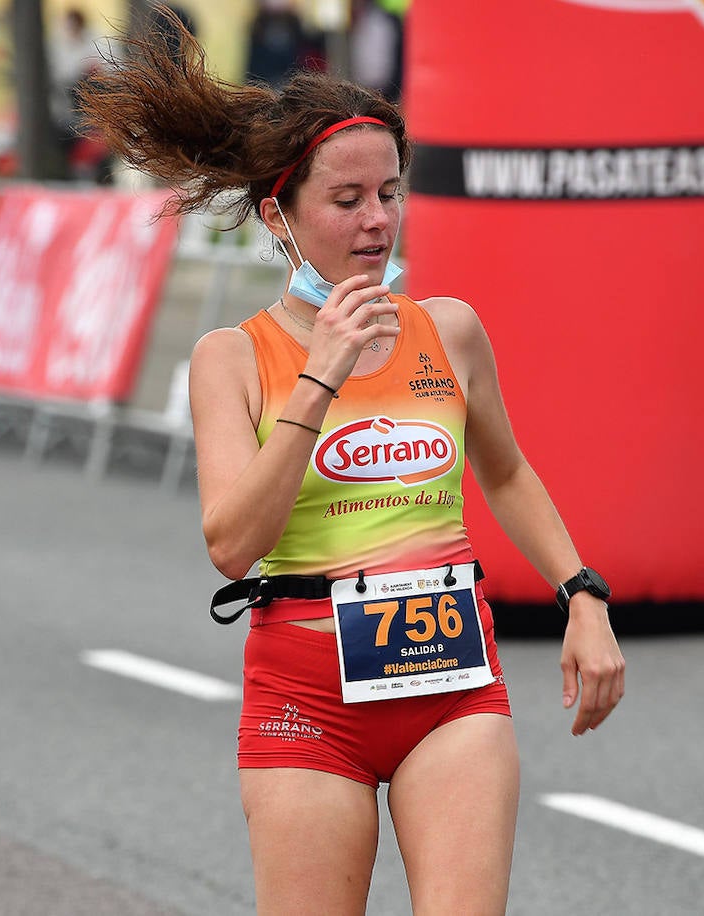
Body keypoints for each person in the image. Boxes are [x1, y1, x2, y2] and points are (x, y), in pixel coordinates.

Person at [80, 12, 625, 913]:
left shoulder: (448, 329)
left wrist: (583, 594)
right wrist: (319, 378)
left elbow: (507, 473)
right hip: (308, 704)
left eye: (391, 193)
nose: (377, 222)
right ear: (279, 218)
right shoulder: (232, 357)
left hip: (452, 684)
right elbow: (232, 546)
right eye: (346, 201)